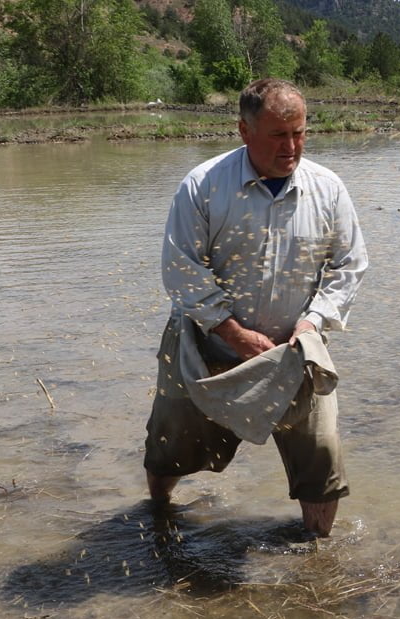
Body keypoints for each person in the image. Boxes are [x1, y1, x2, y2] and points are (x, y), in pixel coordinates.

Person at [143, 78, 369, 537]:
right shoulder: (204, 186)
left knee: (321, 459)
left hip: (295, 349)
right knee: (172, 448)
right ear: (244, 131)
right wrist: (232, 332)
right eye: (277, 135)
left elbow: (349, 265)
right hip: (207, 347)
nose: (291, 146)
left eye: (299, 133)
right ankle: (159, 521)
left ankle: (318, 568)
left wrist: (312, 322)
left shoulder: (327, 189)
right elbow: (181, 269)